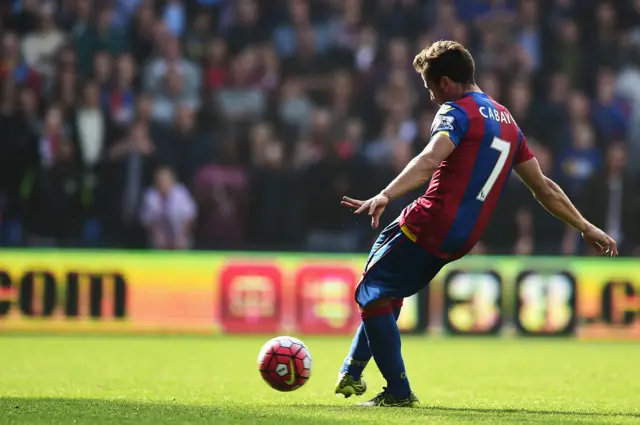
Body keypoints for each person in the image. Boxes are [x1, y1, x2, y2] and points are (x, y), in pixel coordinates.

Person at [334, 40, 618, 407]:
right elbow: (544, 187)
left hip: (432, 220)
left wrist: (386, 193)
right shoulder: (509, 123)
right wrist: (584, 225)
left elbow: (429, 160)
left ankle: (397, 391)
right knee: (387, 285)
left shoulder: (457, 111)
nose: (432, 97)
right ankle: (353, 371)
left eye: (431, 87)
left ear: (447, 83)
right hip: (463, 236)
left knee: (371, 291)